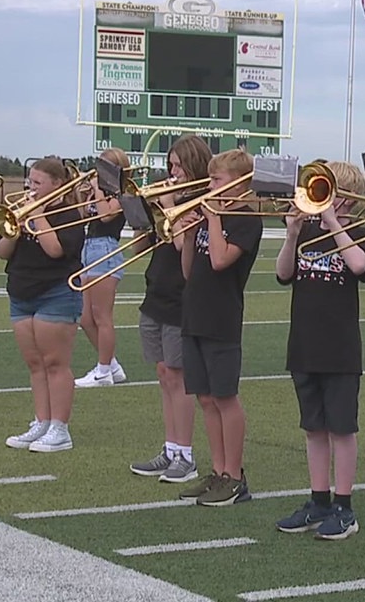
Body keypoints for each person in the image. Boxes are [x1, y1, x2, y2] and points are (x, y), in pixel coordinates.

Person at [274, 161, 365, 540]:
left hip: (341, 347)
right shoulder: (306, 231)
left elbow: (360, 266)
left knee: (342, 430)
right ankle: (318, 501)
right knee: (313, 429)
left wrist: (335, 223)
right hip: (304, 342)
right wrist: (291, 233)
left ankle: (344, 508)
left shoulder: (359, 233)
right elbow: (284, 274)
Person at [174, 149, 263, 506]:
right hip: (194, 312)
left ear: (240, 183)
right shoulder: (211, 217)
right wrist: (190, 229)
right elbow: (188, 269)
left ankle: (235, 475)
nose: (209, 187)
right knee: (205, 398)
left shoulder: (245, 219)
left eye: (216, 180)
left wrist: (210, 219)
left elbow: (222, 260)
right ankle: (218, 470)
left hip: (222, 316)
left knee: (225, 397)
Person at [130, 134, 212, 484]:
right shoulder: (170, 200)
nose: (173, 172)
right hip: (156, 292)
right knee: (164, 375)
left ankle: (186, 454)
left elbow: (183, 245)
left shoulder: (200, 201)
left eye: (178, 165)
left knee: (178, 379)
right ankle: (170, 448)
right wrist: (140, 218)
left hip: (182, 297)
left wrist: (168, 205)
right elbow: (138, 249)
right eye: (170, 165)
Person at [0, 157, 86, 453]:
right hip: (22, 291)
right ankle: (42, 421)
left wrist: (37, 217)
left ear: (57, 185)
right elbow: (2, 251)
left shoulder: (71, 214)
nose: (30, 188)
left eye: (37, 183)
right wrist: (15, 227)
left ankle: (60, 429)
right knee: (35, 363)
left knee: (55, 363)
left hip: (57, 291)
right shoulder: (24, 211)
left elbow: (55, 250)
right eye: (30, 182)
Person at [75, 148, 130, 388]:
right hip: (89, 248)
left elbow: (108, 217)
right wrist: (81, 196)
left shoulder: (121, 193)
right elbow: (84, 219)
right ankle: (111, 365)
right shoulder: (101, 193)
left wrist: (97, 190)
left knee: (102, 316)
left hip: (106, 249)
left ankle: (103, 371)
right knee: (85, 318)